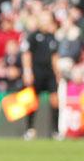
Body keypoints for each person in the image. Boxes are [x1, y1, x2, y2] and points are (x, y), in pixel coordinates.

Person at [21, 11, 60, 140]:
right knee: (32, 102)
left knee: (55, 101)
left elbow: (55, 57)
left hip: (49, 74)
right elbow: (27, 54)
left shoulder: (52, 37)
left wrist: (57, 73)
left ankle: (55, 131)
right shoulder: (33, 36)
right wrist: (27, 71)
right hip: (36, 73)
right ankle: (29, 129)